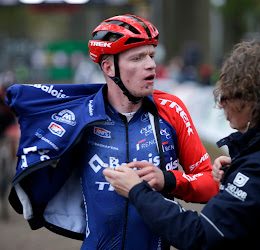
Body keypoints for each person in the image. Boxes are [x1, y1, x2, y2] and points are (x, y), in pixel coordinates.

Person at [5, 14, 219, 249]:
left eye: (151, 55)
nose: (151, 64)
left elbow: (210, 183)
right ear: (108, 67)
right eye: (137, 58)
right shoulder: (82, 117)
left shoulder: (171, 110)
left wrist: (168, 179)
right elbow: (43, 189)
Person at [103, 39, 260, 249]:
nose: (220, 103)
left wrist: (137, 191)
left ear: (254, 101)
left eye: (227, 95)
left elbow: (201, 235)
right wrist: (236, 171)